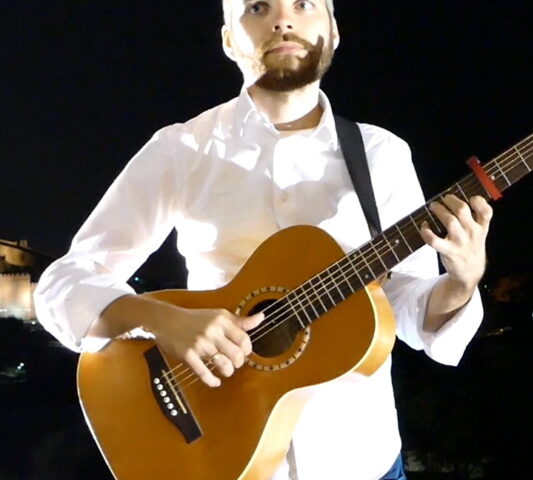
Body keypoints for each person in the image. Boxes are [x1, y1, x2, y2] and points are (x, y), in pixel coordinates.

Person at [33, 1, 490, 478]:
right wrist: (162, 320)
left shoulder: (382, 155)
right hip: (217, 451)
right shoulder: (182, 149)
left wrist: (462, 282)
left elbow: (408, 310)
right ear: (229, 39)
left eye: (303, 4)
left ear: (334, 31)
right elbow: (62, 283)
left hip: (360, 459)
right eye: (257, 7)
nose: (283, 19)